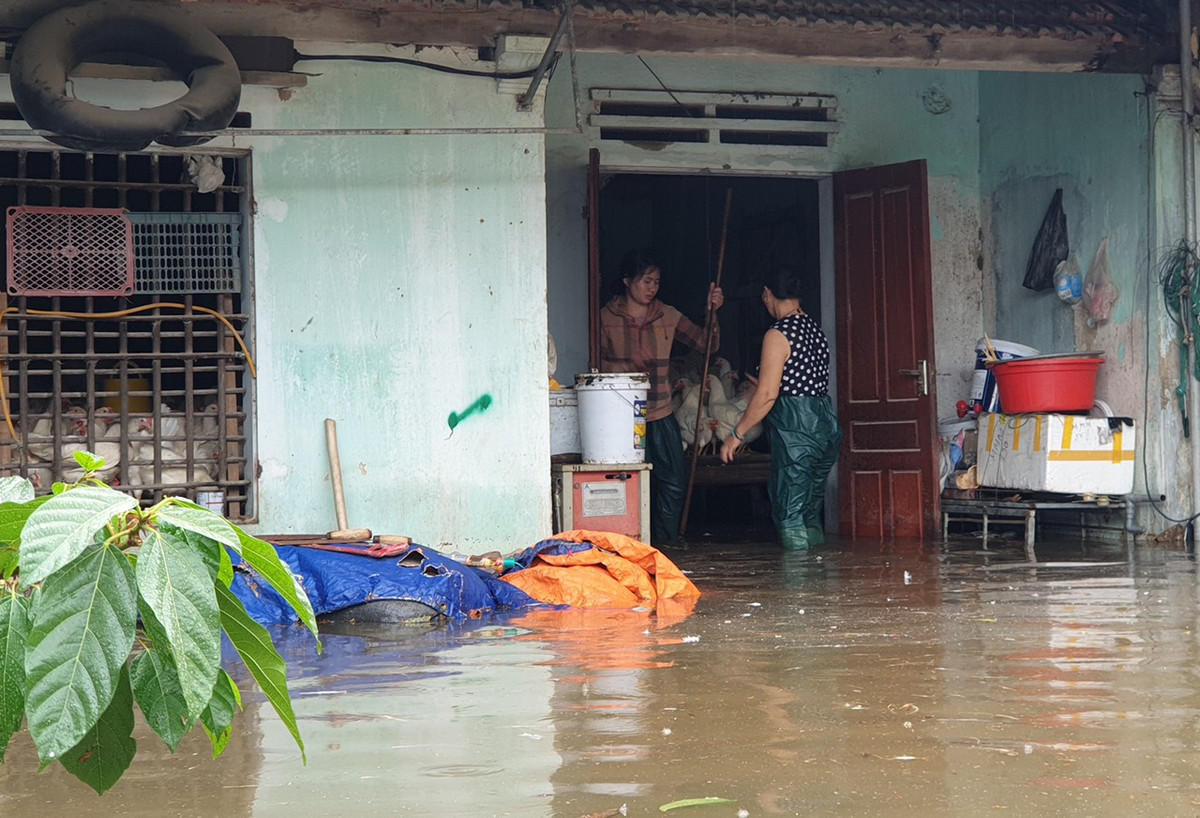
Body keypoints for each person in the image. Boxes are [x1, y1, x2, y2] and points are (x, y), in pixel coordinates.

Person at [599, 249, 724, 545]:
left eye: (656, 281)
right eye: (646, 281)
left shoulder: (667, 315)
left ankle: (666, 543)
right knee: (625, 481)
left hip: (660, 412)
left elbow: (707, 345)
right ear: (627, 282)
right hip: (620, 417)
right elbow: (593, 363)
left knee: (673, 481)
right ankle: (629, 543)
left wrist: (712, 312)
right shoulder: (605, 318)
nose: (652, 287)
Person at [719, 265, 841, 551]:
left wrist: (736, 434)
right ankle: (818, 583)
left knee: (789, 512)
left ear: (767, 294)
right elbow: (799, 381)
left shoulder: (778, 333)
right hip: (825, 427)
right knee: (809, 513)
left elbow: (768, 395)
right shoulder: (814, 329)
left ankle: (796, 589)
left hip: (796, 431)